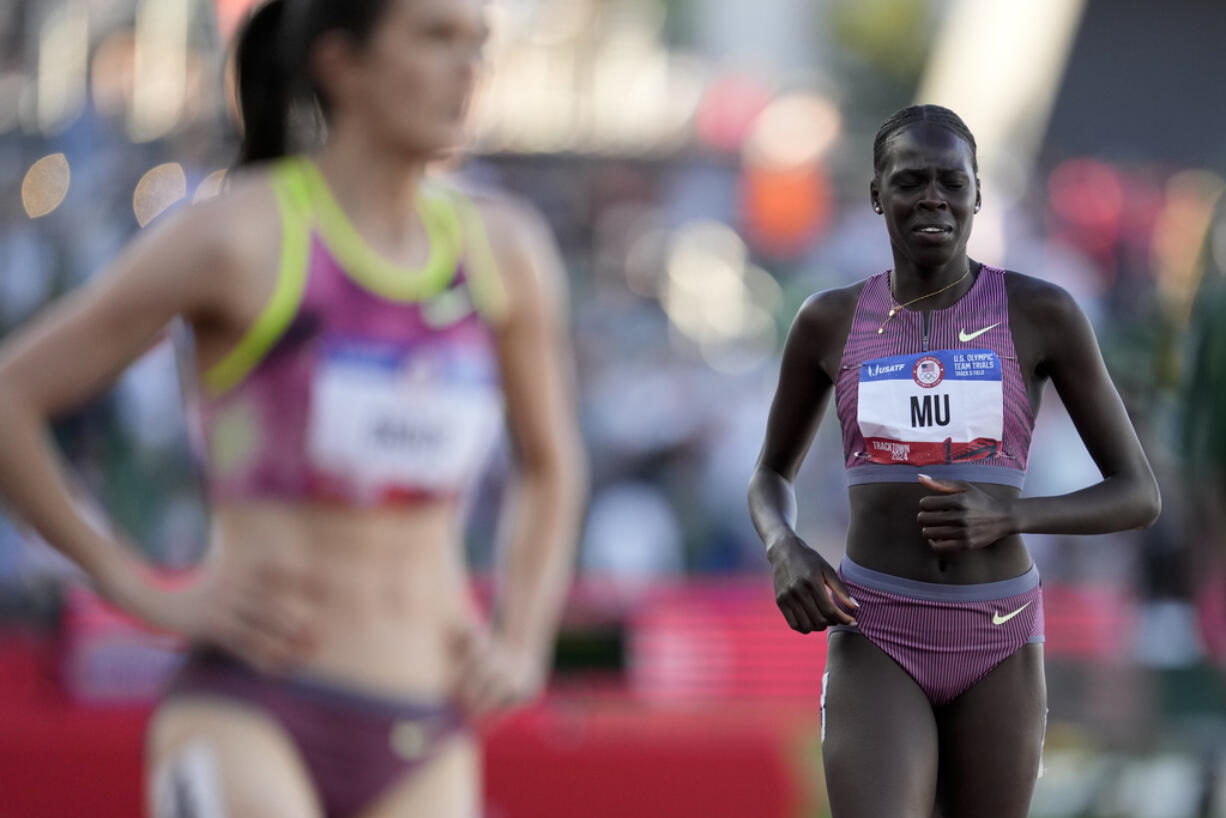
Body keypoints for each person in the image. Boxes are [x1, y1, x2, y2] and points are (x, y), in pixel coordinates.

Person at [0, 0, 587, 816]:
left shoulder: (506, 251)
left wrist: (525, 638)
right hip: (249, 706)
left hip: (424, 726)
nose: (467, 69)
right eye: (435, 37)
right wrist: (140, 589)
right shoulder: (236, 237)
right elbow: (11, 400)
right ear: (340, 63)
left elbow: (552, 464)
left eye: (476, 44)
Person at [747, 104, 1160, 818]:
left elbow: (1138, 493)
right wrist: (784, 547)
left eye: (951, 181)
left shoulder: (1042, 312)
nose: (933, 198)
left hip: (996, 635)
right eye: (910, 181)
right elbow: (770, 477)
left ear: (977, 193)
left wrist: (1013, 513)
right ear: (878, 195)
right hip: (876, 626)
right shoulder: (829, 320)